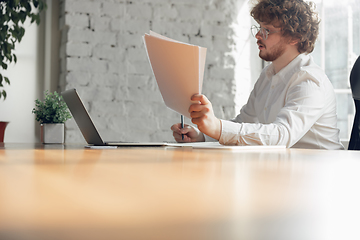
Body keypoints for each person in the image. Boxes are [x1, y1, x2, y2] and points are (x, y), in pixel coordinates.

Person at [171, 0, 344, 149]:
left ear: (295, 37)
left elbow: (282, 135)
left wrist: (218, 127)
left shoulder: (309, 81)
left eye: (267, 31)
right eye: (259, 28)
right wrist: (203, 137)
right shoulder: (268, 75)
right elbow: (245, 123)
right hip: (285, 173)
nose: (258, 35)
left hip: (317, 177)